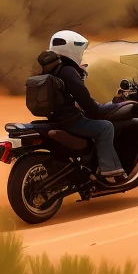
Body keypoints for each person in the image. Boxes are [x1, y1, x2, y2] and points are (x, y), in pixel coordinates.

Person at [36, 31, 122, 180]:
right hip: (70, 121)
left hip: (54, 119)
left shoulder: (47, 70)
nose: (81, 55)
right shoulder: (67, 71)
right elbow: (87, 104)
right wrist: (110, 107)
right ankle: (108, 171)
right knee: (105, 127)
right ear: (71, 50)